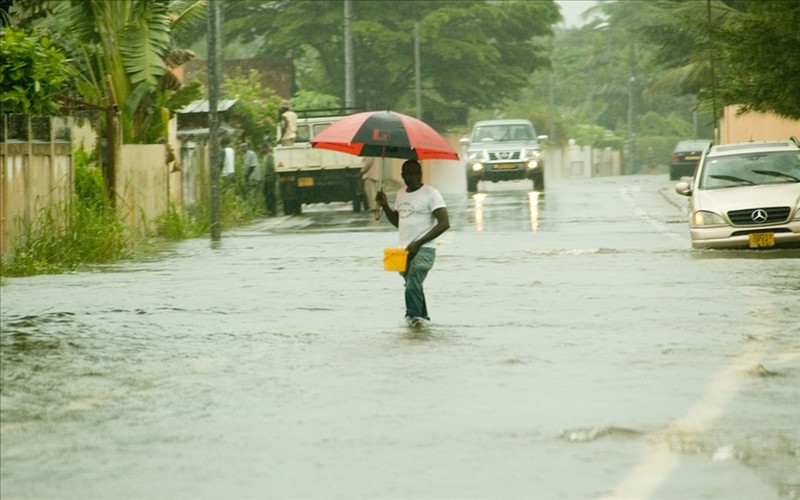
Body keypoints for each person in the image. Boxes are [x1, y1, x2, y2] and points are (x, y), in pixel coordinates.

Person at [375, 160, 450, 327]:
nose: (413, 177)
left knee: (412, 285)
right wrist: (385, 205)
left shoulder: (431, 193)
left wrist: (418, 243)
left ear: (421, 173)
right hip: (404, 252)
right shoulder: (401, 193)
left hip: (424, 249)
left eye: (416, 173)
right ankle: (423, 321)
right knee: (413, 286)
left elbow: (444, 223)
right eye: (408, 174)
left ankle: (411, 320)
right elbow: (398, 222)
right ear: (402, 176)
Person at [261, 144, 277, 216]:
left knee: (270, 195)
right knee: (267, 195)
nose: (261, 150)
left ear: (266, 149)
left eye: (262, 148)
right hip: (266, 180)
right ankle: (269, 210)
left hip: (270, 179)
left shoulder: (269, 157)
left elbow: (272, 168)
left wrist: (272, 178)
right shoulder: (265, 157)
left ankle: (272, 210)